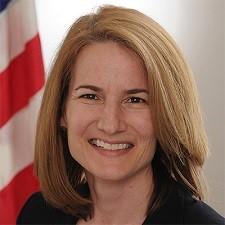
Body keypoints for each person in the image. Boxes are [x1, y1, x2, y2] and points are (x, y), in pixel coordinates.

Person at [17, 5, 225, 225]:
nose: (110, 124)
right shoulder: (38, 214)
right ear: (61, 111)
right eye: (90, 96)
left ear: (167, 116)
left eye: (135, 100)